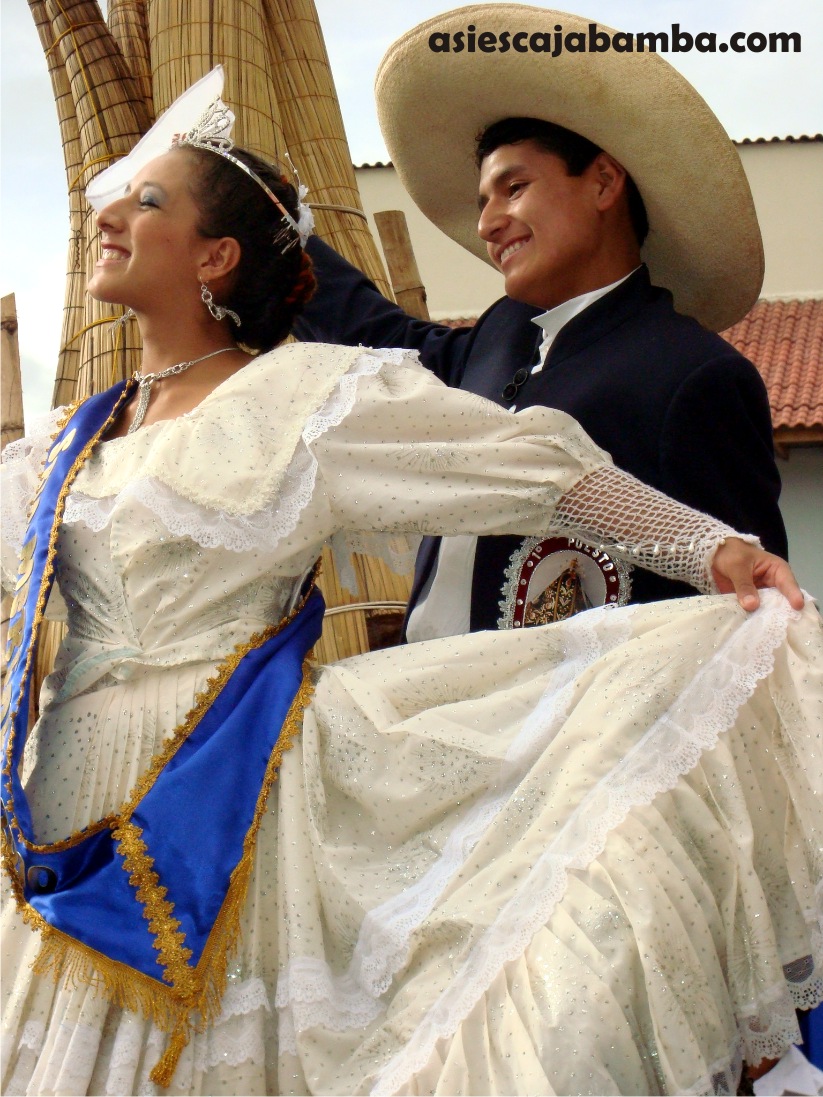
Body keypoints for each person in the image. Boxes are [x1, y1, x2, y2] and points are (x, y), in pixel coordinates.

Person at [1, 68, 821, 1097]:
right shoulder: (72, 447)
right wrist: (277, 211)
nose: (110, 211)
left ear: (214, 257)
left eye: (148, 199)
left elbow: (534, 469)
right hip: (67, 809)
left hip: (233, 792)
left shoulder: (308, 404)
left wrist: (714, 551)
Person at [294, 4, 787, 641]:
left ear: (605, 181)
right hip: (427, 710)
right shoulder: (502, 335)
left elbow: (746, 614)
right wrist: (285, 239)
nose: (486, 223)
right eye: (482, 202)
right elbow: (392, 346)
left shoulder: (695, 376)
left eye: (514, 188)